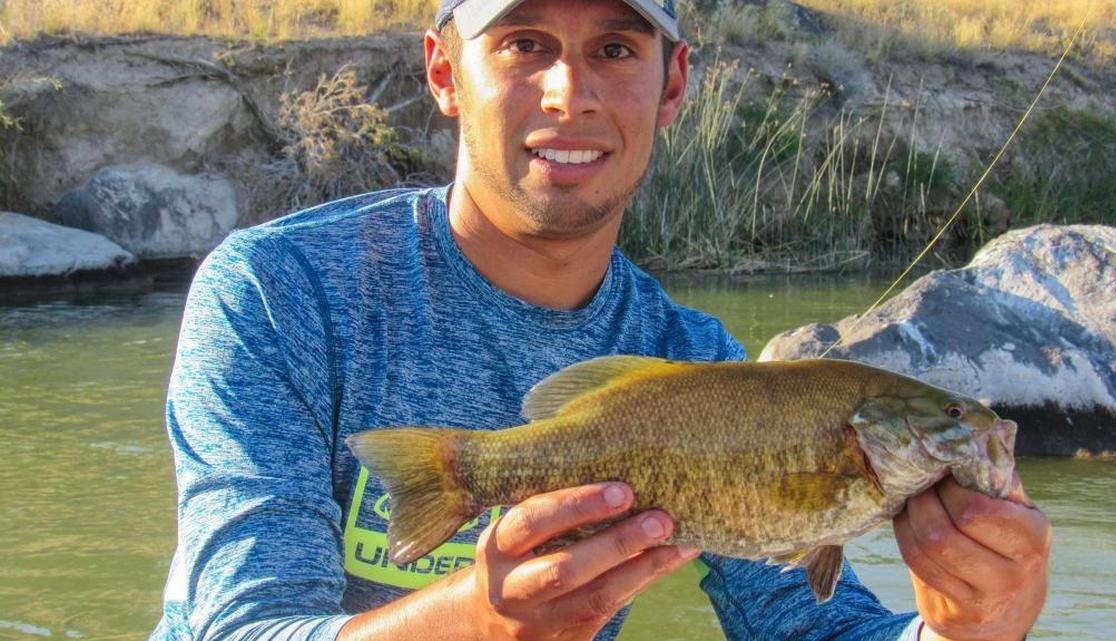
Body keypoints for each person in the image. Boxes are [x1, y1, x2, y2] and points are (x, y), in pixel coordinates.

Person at [150, 0, 1051, 639]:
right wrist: (473, 623)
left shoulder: (694, 358)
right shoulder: (276, 290)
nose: (568, 92)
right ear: (443, 72)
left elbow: (808, 625)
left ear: (672, 85)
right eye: (523, 42)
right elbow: (243, 623)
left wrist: (971, 625)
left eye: (616, 49)